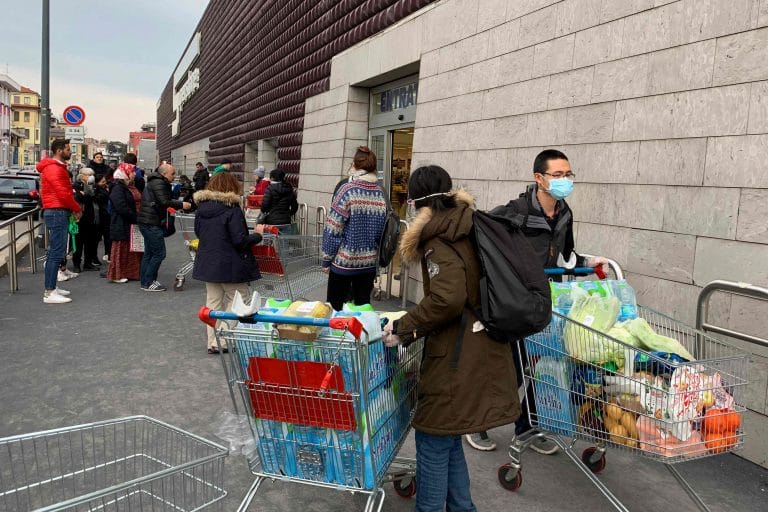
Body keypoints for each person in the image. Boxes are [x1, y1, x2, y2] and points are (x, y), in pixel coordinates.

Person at [382, 165, 520, 512]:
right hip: (478, 346)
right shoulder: (465, 224)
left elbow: (447, 298)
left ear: (416, 202)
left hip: (458, 354)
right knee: (447, 436)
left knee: (432, 434)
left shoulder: (439, 238)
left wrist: (405, 327)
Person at [464, 149, 609, 454]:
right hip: (518, 302)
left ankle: (527, 427)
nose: (565, 180)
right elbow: (482, 238)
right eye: (558, 175)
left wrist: (589, 262)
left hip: (548, 301)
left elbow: (566, 256)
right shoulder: (515, 212)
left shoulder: (565, 213)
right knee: (513, 368)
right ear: (539, 178)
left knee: (543, 365)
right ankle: (479, 423)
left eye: (568, 174)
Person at [193, 172, 265, 354]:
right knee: (239, 300)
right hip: (231, 264)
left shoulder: (202, 208)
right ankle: (223, 340)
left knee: (213, 303)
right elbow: (239, 240)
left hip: (208, 262)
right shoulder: (232, 209)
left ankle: (212, 341)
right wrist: (257, 235)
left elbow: (199, 233)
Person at [321, 147, 386, 311]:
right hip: (368, 263)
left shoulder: (347, 190)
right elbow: (381, 230)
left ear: (355, 165)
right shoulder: (380, 193)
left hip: (344, 263)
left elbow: (333, 229)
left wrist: (327, 259)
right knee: (362, 309)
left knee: (335, 309)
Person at [37, 139, 81, 304]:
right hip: (57, 211)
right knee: (56, 253)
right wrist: (77, 208)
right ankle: (49, 292)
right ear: (59, 150)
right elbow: (63, 193)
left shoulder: (53, 167)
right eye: (68, 149)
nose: (70, 152)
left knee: (55, 252)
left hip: (57, 210)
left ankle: (52, 287)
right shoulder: (54, 168)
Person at [137, 163, 191, 291]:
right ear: (164, 174)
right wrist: (182, 204)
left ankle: (146, 281)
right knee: (159, 253)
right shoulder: (159, 183)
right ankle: (148, 282)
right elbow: (164, 202)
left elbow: (163, 200)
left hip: (148, 221)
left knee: (150, 253)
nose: (174, 176)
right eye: (172, 173)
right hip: (151, 222)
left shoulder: (157, 182)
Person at [107, 163, 142, 283]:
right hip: (121, 222)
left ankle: (129, 272)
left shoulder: (125, 186)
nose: (134, 174)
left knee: (128, 249)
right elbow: (121, 207)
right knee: (121, 249)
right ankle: (117, 275)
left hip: (127, 222)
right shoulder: (118, 188)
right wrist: (134, 217)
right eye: (132, 172)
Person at [72, 168, 101, 272]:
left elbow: (97, 197)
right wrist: (86, 195)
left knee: (90, 242)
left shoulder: (94, 186)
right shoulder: (77, 185)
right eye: (88, 175)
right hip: (80, 218)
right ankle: (76, 264)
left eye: (92, 175)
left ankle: (88, 263)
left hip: (91, 217)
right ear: (82, 175)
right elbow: (78, 198)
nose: (90, 177)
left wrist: (89, 193)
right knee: (78, 243)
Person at [93, 174, 111, 263]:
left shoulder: (103, 189)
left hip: (104, 215)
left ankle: (107, 254)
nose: (104, 183)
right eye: (102, 181)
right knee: (101, 237)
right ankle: (106, 254)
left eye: (105, 181)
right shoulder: (98, 191)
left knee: (105, 237)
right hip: (101, 216)